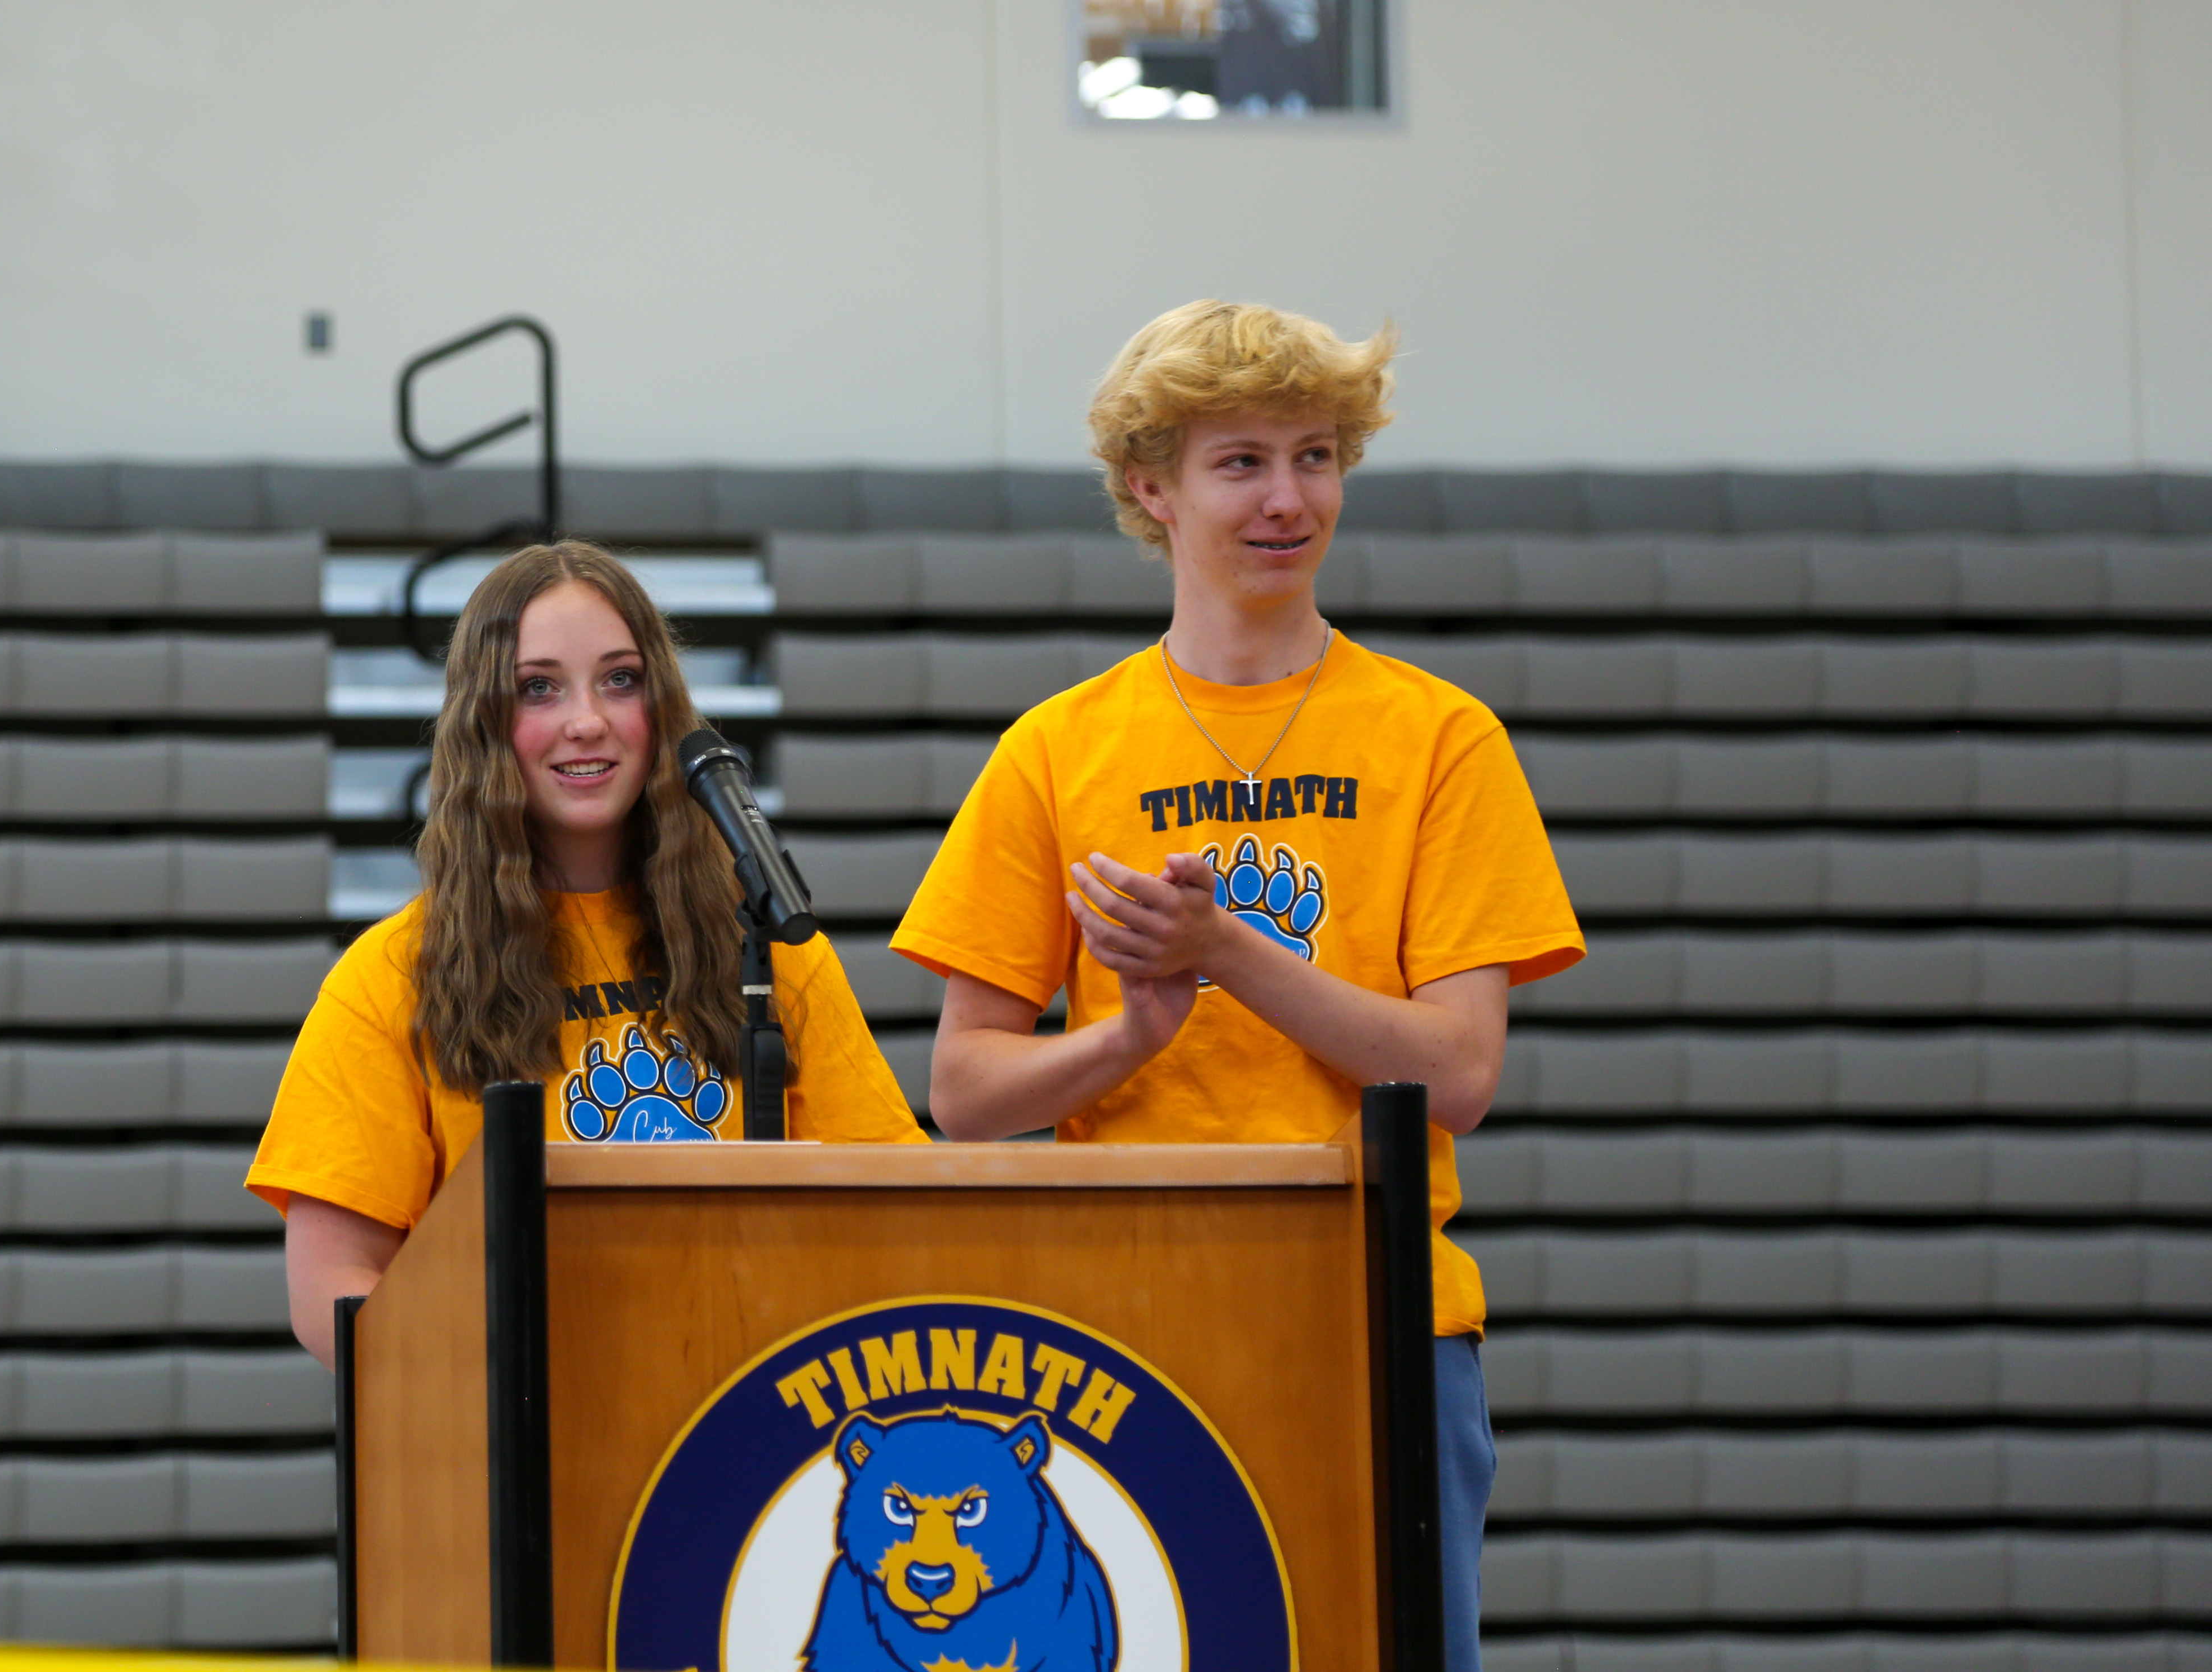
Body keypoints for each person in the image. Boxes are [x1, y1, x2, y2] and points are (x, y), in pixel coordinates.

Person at [891, 300, 1584, 1672]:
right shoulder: (1053, 753)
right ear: (1149, 487)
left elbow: (1458, 1074)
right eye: (1241, 462)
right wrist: (1130, 1035)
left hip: (1377, 1319)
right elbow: (962, 1094)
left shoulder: (1442, 740)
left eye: (1315, 457)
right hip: (1119, 1332)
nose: (1288, 498)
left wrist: (1229, 959)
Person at [250, 541, 924, 1367]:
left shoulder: (768, 950)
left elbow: (889, 1212)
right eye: (539, 687)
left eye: (620, 679)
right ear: (485, 724)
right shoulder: (392, 975)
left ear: (663, 709)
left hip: (737, 1424)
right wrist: (487, 1374)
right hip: (513, 1437)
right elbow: (333, 1283)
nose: (587, 720)